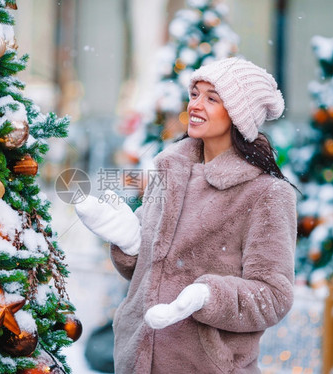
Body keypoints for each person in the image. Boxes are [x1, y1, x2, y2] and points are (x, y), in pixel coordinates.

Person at [75, 57, 297, 374]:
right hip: (136, 362)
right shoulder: (169, 172)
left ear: (239, 114)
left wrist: (208, 296)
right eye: (195, 94)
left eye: (212, 98)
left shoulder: (266, 194)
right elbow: (150, 273)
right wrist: (130, 243)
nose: (195, 105)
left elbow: (273, 296)